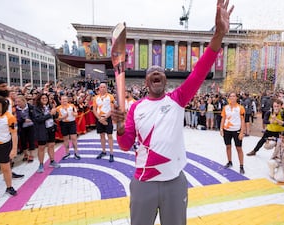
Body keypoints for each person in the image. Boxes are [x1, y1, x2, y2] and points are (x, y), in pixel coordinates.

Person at [111, 1, 234, 224]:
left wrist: (218, 35)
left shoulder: (177, 99)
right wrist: (119, 128)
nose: (156, 73)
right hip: (143, 183)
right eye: (151, 72)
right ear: (146, 82)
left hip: (174, 183)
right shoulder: (135, 108)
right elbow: (125, 145)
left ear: (165, 80)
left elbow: (200, 70)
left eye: (160, 71)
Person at [33, 93, 61, 173]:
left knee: (51, 145)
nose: (45, 99)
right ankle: (41, 164)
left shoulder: (50, 106)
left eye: (46, 98)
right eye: (43, 98)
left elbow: (55, 116)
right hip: (42, 130)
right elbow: (38, 119)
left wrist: (55, 113)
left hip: (51, 128)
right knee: (41, 148)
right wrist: (50, 114)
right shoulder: (36, 108)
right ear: (39, 100)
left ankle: (52, 161)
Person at [220, 92, 245, 174]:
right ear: (229, 98)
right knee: (228, 146)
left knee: (239, 148)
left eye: (234, 96)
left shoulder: (240, 108)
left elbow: (242, 120)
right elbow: (223, 118)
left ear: (236, 98)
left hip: (236, 130)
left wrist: (242, 132)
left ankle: (241, 166)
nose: (232, 97)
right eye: (230, 96)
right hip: (227, 130)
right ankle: (229, 161)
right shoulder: (225, 108)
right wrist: (221, 128)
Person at [93, 83, 115, 162]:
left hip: (107, 118)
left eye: (104, 87)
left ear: (106, 88)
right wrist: (100, 118)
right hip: (99, 118)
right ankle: (103, 151)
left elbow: (112, 109)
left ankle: (111, 153)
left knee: (109, 135)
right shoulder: (95, 97)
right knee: (102, 135)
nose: (102, 88)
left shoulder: (110, 96)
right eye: (101, 87)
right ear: (99, 88)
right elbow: (94, 109)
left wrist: (105, 117)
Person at [56, 95, 80, 160]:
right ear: (60, 100)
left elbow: (76, 114)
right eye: (63, 99)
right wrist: (64, 117)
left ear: (67, 100)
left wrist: (74, 114)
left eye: (65, 99)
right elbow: (57, 118)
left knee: (73, 138)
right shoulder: (58, 108)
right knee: (65, 139)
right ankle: (67, 153)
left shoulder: (72, 106)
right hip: (63, 124)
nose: (64, 100)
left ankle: (76, 153)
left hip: (72, 123)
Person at [15, 95, 36, 162]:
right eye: (17, 101)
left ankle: (31, 155)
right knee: (23, 141)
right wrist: (24, 120)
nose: (17, 103)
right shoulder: (16, 109)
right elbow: (16, 119)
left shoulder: (30, 107)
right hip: (22, 127)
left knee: (31, 140)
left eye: (19, 101)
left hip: (31, 126)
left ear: (24, 101)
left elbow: (34, 116)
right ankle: (25, 154)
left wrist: (31, 120)